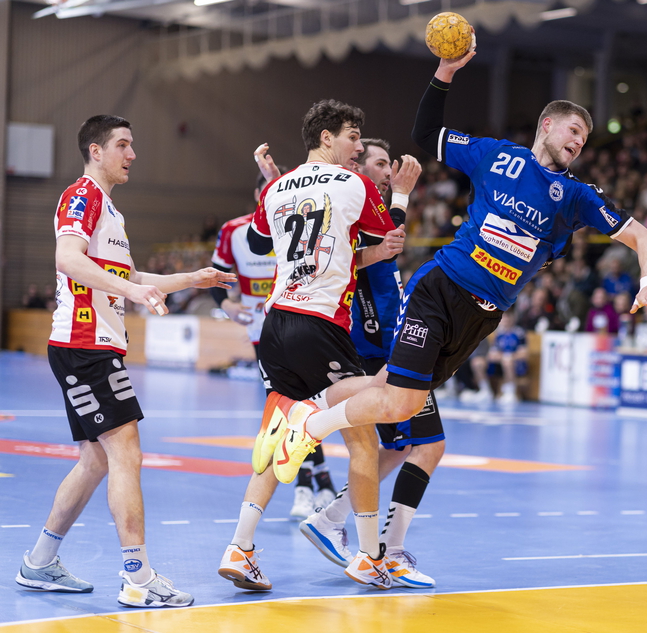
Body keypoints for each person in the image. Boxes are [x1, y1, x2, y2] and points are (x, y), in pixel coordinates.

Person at [261, 36, 647, 518]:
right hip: (441, 286)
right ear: (547, 125)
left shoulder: (578, 196)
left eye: (584, 139)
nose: (579, 142)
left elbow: (644, 237)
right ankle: (313, 436)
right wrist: (446, 72)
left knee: (397, 399)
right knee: (413, 420)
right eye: (574, 130)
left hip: (483, 316)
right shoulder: (496, 155)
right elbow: (426, 131)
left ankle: (306, 417)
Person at [16, 114, 236, 607]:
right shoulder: (83, 195)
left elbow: (131, 277)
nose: (132, 154)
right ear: (96, 151)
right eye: (122, 144)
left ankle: (39, 562)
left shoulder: (111, 211)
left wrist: (190, 280)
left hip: (91, 346)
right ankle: (138, 578)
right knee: (126, 454)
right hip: (85, 345)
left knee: (97, 459)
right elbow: (68, 258)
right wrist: (134, 292)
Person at [216, 100, 419, 592]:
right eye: (353, 136)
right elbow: (388, 232)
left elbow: (264, 242)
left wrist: (278, 185)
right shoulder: (354, 183)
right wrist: (403, 194)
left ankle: (240, 547)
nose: (359, 147)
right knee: (364, 440)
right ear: (326, 138)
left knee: (278, 439)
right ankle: (369, 557)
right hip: (320, 325)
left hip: (275, 326)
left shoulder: (277, 188)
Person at [297, 137, 440, 588]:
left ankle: (331, 519)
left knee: (399, 446)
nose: (388, 170)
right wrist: (402, 195)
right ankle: (388, 552)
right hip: (376, 347)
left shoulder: (366, 209)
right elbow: (385, 243)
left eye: (388, 164)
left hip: (387, 342)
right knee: (428, 444)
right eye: (379, 163)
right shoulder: (356, 207)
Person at [210, 165, 337, 520]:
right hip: (261, 331)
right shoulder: (234, 231)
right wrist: (226, 304)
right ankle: (318, 481)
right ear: (259, 195)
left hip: (302, 322)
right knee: (294, 406)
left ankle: (309, 486)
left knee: (301, 404)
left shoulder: (302, 224)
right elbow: (217, 272)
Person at [487, 311, 529, 403]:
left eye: (508, 319)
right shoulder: (498, 334)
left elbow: (524, 354)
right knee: (481, 362)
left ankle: (511, 392)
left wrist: (510, 357)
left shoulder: (519, 333)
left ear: (512, 319)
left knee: (508, 362)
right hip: (500, 363)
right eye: (504, 319)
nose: (506, 321)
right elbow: (492, 355)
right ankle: (486, 391)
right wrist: (504, 357)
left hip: (517, 364)